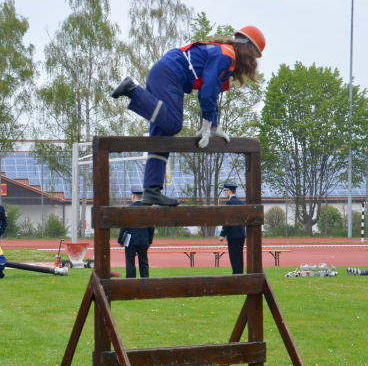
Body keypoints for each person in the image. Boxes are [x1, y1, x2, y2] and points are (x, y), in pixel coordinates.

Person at [111, 26, 264, 206]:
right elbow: (207, 92)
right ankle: (133, 90)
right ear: (248, 52)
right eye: (253, 58)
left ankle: (152, 190)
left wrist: (213, 126)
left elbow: (211, 92)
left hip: (163, 73)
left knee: (162, 137)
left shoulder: (224, 55)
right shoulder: (226, 55)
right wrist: (206, 125)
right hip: (170, 74)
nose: (252, 63)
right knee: (174, 123)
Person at [117, 186, 154, 278]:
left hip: (131, 239)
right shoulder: (148, 209)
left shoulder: (128, 209)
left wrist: (120, 240)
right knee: (144, 262)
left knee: (130, 263)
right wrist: (149, 240)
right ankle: (145, 282)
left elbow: (124, 226)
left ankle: (130, 283)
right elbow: (151, 227)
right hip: (144, 239)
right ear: (142, 196)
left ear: (133, 196)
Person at [219, 183, 246, 274]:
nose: (225, 193)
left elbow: (228, 220)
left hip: (233, 234)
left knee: (234, 257)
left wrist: (222, 234)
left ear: (229, 191)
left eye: (225, 191)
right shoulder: (242, 202)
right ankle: (240, 274)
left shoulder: (229, 203)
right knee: (240, 256)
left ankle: (236, 275)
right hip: (241, 233)